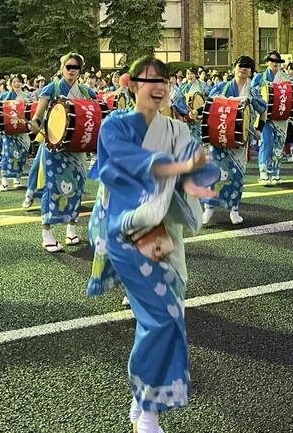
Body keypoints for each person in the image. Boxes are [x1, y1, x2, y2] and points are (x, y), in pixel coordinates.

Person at [86, 56, 219, 433]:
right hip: (128, 233)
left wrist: (201, 174)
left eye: (164, 81)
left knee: (170, 315)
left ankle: (142, 400)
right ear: (132, 84)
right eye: (150, 81)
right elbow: (131, 164)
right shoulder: (114, 126)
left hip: (165, 234)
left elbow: (201, 166)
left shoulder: (176, 129)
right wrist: (180, 168)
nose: (158, 88)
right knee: (160, 319)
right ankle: (147, 408)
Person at [25, 53, 97, 251]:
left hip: (76, 149)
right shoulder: (52, 88)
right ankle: (46, 233)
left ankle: (71, 230)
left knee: (77, 187)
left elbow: (95, 111)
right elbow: (39, 116)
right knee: (52, 188)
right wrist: (35, 124)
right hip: (54, 148)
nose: (72, 70)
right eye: (69, 66)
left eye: (76, 67)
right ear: (62, 67)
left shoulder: (85, 91)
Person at [202, 55, 267, 225]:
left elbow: (263, 109)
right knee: (215, 173)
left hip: (239, 140)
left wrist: (259, 129)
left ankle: (234, 210)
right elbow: (209, 104)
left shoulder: (252, 92)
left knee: (237, 175)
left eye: (247, 66)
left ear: (251, 71)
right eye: (240, 65)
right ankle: (209, 209)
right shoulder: (222, 87)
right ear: (234, 68)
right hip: (220, 136)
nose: (243, 68)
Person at [252, 51, 290, 185]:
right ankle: (263, 173)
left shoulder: (286, 78)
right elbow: (252, 93)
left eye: (277, 61)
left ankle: (275, 173)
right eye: (272, 60)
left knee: (279, 145)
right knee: (266, 143)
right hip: (266, 117)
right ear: (268, 62)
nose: (274, 63)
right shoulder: (260, 77)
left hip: (282, 116)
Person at [0, 75, 32, 191]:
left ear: (22, 83)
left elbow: (33, 110)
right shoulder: (5, 96)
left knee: (21, 155)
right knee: (8, 155)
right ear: (11, 84)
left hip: (22, 132)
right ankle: (5, 182)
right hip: (9, 131)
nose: (17, 84)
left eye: (19, 82)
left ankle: (17, 179)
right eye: (14, 82)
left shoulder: (27, 96)